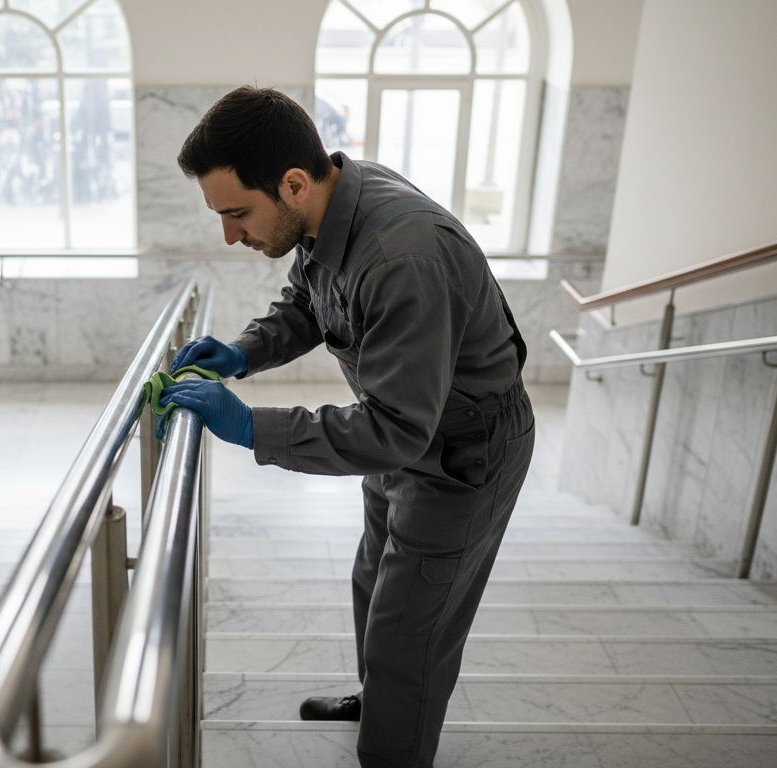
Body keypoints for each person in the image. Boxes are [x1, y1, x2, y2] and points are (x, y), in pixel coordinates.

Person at [162, 87, 534, 768]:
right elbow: (311, 298)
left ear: (293, 182)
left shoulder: (403, 255)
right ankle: (383, 699)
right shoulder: (333, 203)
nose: (230, 235)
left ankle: (394, 744)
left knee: (408, 630)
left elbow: (396, 430)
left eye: (238, 213)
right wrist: (247, 349)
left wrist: (251, 428)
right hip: (400, 418)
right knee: (373, 577)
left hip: (461, 449)